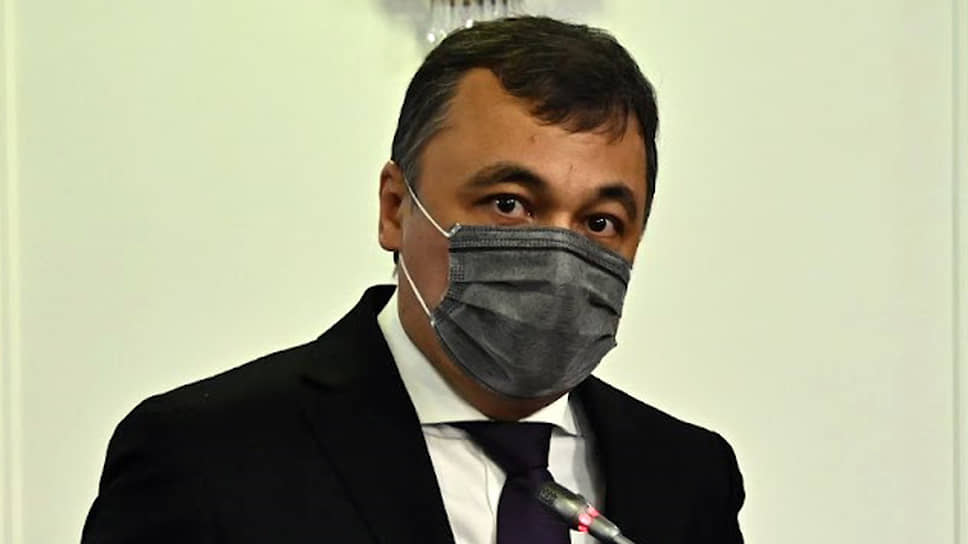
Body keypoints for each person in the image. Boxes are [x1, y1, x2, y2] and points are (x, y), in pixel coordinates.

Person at [82, 16, 744, 544]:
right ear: (396, 208)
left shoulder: (688, 477)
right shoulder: (206, 457)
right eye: (510, 203)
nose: (560, 251)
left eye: (600, 222)